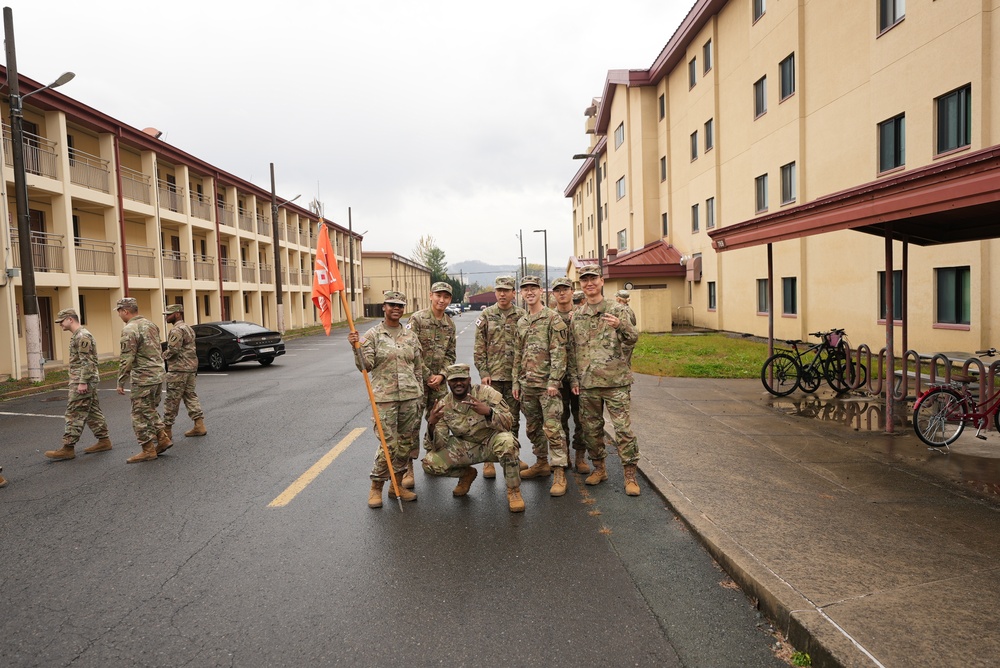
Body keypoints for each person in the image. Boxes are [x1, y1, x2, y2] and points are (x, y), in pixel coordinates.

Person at [348, 290, 428, 509]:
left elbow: (418, 367)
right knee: (387, 445)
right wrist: (356, 348)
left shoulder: (410, 335)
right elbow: (365, 366)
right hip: (385, 399)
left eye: (400, 306)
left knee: (405, 445)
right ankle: (376, 487)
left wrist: (420, 394)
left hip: (411, 398)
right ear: (384, 307)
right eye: (392, 305)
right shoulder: (373, 335)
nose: (396, 309)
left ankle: (397, 485)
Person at [569, 265, 642, 496]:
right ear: (580, 284)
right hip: (588, 383)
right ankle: (599, 468)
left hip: (615, 382)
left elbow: (633, 338)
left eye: (593, 279)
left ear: (601, 281)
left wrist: (620, 326)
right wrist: (574, 378)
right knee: (591, 430)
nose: (589, 283)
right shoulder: (577, 315)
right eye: (584, 280)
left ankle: (629, 475)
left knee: (623, 430)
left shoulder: (616, 309)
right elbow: (571, 351)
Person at [421, 364, 525, 513]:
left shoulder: (487, 393)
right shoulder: (444, 404)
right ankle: (466, 474)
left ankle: (513, 491)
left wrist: (488, 412)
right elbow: (439, 445)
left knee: (508, 442)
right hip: (466, 446)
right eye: (454, 380)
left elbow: (509, 422)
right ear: (448, 382)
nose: (458, 383)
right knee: (430, 463)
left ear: (469, 379)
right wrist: (431, 424)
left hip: (492, 441)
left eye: (462, 379)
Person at [511, 276, 570, 496]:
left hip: (547, 387)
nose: (529, 292)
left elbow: (559, 353)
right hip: (528, 386)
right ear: (522, 293)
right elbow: (519, 353)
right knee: (533, 428)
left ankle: (559, 472)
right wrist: (516, 381)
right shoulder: (522, 321)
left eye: (533, 289)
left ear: (541, 291)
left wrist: (554, 381)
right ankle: (542, 463)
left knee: (553, 430)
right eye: (525, 289)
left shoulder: (553, 319)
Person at [473, 276, 527, 479]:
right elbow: (479, 348)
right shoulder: (486, 315)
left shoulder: (522, 316)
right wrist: (484, 373)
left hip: (514, 379)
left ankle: (513, 456)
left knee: (512, 420)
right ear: (495, 293)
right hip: (492, 379)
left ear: (514, 293)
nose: (502, 294)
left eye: (507, 290)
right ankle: (489, 461)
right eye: (499, 290)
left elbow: (526, 347)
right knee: (489, 419)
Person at [404, 281, 456, 489]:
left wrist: (442, 376)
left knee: (440, 422)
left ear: (450, 299)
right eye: (438, 296)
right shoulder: (417, 319)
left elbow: (451, 354)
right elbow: (411, 351)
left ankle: (432, 458)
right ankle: (407, 468)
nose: (441, 300)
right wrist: (428, 376)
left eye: (446, 297)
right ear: (430, 296)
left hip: (439, 383)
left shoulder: (449, 324)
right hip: (417, 381)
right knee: (411, 425)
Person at [44, 308, 113, 461]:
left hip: (82, 381)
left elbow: (87, 362)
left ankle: (68, 448)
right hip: (84, 379)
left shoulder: (82, 336)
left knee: (74, 412)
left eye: (61, 321)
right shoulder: (78, 335)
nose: (60, 324)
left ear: (70, 319)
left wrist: (82, 382)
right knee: (92, 411)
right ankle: (104, 440)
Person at [115, 297, 169, 463]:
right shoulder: (151, 324)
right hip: (158, 375)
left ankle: (148, 448)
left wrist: (120, 380)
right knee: (149, 409)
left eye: (119, 312)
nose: (119, 315)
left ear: (125, 311)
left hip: (143, 378)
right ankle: (161, 438)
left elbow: (127, 357)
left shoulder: (129, 329)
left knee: (138, 413)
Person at [552, 277, 588, 474]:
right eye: (558, 290)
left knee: (581, 417)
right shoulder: (549, 317)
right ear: (553, 294)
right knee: (559, 417)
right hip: (557, 377)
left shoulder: (580, 316)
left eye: (565, 289)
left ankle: (580, 456)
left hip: (580, 375)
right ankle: (563, 455)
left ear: (572, 291)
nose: (562, 293)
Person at [161, 303, 207, 441]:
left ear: (178, 314)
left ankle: (166, 431)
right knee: (190, 396)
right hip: (190, 368)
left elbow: (174, 350)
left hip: (179, 369)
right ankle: (199, 425)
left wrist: (162, 355)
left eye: (169, 314)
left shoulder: (176, 330)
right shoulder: (188, 328)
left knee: (171, 400)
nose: (166, 317)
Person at [616, 289, 638, 364]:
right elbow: (634, 322)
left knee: (621, 365)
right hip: (630, 340)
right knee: (627, 363)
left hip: (623, 340)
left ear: (618, 299)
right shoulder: (629, 310)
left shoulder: (620, 310)